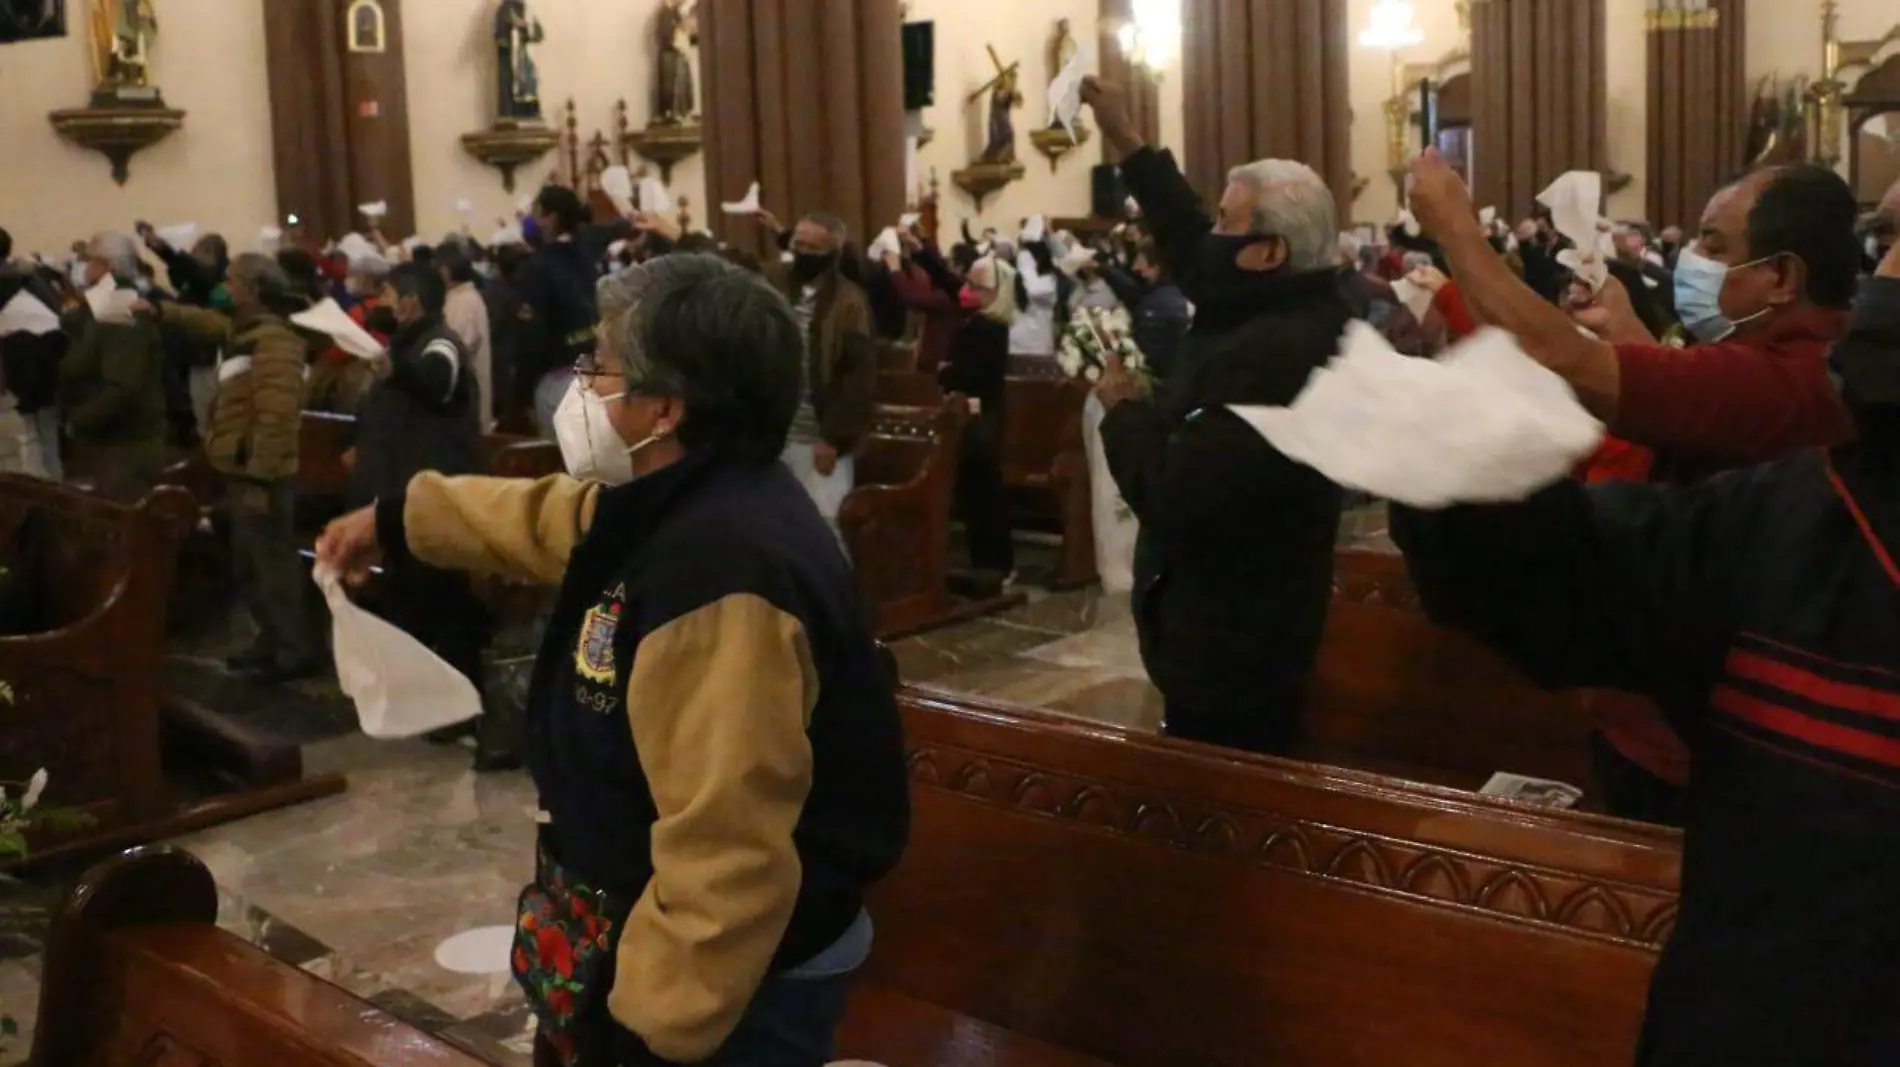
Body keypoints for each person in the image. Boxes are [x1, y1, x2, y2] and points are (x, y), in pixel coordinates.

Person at [315, 253, 908, 1067]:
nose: (579, 385)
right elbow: (551, 517)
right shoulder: (682, 497)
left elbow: (728, 850)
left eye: (599, 365)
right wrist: (396, 518)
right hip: (638, 918)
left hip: (738, 980)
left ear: (664, 407)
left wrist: (652, 1027)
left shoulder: (724, 575)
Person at [1388, 238, 1900, 1067]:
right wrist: (1462, 458)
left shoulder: (1791, 401)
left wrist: (1450, 223)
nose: (1885, 278)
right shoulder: (1795, 515)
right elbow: (1562, 585)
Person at [1080, 77, 1349, 754]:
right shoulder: (1269, 299)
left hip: (1237, 635)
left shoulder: (1280, 354)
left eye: (1231, 220)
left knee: (1229, 788)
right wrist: (1127, 139)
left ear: (1268, 251)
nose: (1213, 234)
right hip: (1217, 625)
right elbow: (1188, 234)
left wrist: (1124, 411)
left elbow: (1176, 492)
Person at [1408, 150, 1857, 487]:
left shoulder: (1794, 377)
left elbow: (1558, 358)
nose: (1692, 261)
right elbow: (1690, 404)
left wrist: (1455, 229)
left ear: (1781, 277)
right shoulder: (1791, 358)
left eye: (1716, 249)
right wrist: (1623, 328)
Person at [350, 262, 503, 768]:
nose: (381, 301)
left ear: (411, 300)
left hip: (436, 493)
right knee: (414, 594)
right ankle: (429, 701)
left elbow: (438, 383)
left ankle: (460, 707)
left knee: (445, 599)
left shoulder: (438, 342)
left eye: (388, 293)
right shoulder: (403, 347)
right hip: (404, 492)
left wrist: (398, 372)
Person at [147, 254, 326, 683]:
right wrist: (159, 309)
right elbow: (205, 322)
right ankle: (269, 639)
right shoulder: (246, 331)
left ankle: (295, 649)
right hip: (240, 467)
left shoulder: (277, 341)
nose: (224, 287)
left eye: (231, 281)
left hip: (262, 473)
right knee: (249, 564)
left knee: (273, 564)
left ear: (253, 289)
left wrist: (262, 478)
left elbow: (277, 416)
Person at [779, 212, 876, 538]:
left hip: (819, 436)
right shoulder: (777, 286)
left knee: (824, 529)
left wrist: (834, 437)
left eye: (811, 246)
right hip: (777, 432)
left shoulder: (849, 302)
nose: (800, 252)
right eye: (797, 243)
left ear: (830, 253)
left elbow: (856, 375)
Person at [56, 231, 168, 502]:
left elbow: (123, 384)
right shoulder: (103, 303)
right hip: (112, 435)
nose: (82, 267)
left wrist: (78, 420)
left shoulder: (121, 306)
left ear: (107, 266)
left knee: (123, 523)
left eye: (88, 260)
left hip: (126, 440)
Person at [939, 254, 1015, 579]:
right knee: (978, 492)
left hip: (979, 417)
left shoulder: (986, 328)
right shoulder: (983, 323)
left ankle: (993, 563)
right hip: (979, 414)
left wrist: (948, 372)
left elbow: (971, 374)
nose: (969, 290)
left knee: (983, 492)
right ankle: (987, 561)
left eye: (976, 285)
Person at [516, 185, 614, 436]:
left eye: (535, 212)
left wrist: (522, 394)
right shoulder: (587, 253)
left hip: (558, 378)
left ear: (550, 218)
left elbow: (531, 339)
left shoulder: (538, 267)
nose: (530, 220)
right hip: (597, 372)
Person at [0, 229, 68, 480]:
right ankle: (56, 493)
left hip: (18, 367)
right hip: (52, 362)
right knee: (47, 440)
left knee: (26, 445)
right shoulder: (33, 279)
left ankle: (41, 502)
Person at [1099, 239, 1191, 378]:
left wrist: (1116, 342)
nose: (1134, 267)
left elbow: (1146, 354)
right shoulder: (1160, 293)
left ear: (1155, 268)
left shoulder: (1159, 304)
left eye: (1140, 262)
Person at [437, 243, 495, 431]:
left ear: (445, 271)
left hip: (468, 398)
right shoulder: (458, 297)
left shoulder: (464, 301)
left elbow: (457, 347)